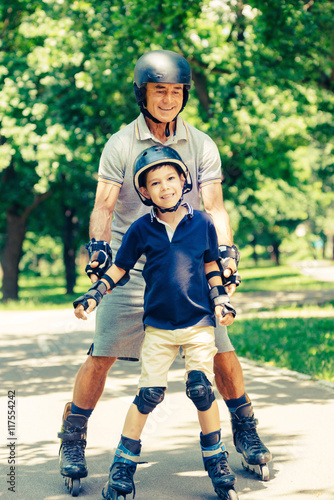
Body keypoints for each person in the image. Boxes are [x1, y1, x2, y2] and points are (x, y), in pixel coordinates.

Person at [57, 49, 271, 493]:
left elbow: (213, 206)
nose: (169, 99)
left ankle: (246, 431)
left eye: (177, 91)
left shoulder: (201, 144)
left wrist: (226, 252)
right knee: (103, 353)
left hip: (187, 261)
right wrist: (98, 246)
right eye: (160, 91)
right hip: (130, 261)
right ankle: (73, 436)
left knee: (221, 350)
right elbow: (104, 204)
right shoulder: (120, 143)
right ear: (143, 93)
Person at [73, 146, 238, 499]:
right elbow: (119, 267)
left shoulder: (203, 224)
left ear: (183, 180)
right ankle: (122, 464)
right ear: (145, 192)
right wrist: (95, 294)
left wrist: (221, 298)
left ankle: (216, 461)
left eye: (170, 179)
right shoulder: (140, 229)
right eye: (154, 183)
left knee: (201, 389)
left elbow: (211, 265)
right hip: (159, 327)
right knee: (148, 394)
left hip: (198, 324)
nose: (165, 187)